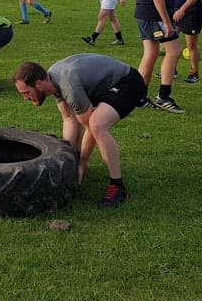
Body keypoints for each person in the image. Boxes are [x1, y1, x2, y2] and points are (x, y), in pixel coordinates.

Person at [12, 54, 145, 208]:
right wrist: (67, 160)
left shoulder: (69, 86)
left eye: (26, 92)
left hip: (129, 83)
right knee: (91, 123)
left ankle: (118, 187)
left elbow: (88, 127)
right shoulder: (53, 80)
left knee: (96, 124)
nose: (25, 98)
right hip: (105, 87)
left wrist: (81, 163)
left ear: (39, 84)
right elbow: (69, 118)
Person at [134, 0, 182, 113]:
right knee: (174, 51)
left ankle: (137, 95)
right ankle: (163, 96)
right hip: (155, 16)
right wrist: (167, 23)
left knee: (151, 53)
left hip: (143, 13)